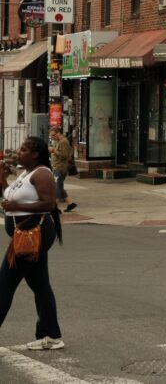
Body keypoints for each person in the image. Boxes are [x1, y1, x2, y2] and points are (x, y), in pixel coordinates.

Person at [0, 136, 65, 350]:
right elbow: (9, 201)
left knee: (4, 284)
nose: (19, 152)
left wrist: (17, 205)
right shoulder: (26, 173)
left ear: (35, 154)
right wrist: (2, 180)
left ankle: (50, 334)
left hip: (32, 234)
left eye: (23, 149)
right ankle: (51, 335)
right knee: (40, 285)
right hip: (25, 234)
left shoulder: (43, 173)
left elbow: (48, 203)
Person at [48, 127, 76, 213]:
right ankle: (70, 203)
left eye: (53, 135)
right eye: (51, 136)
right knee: (59, 186)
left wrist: (53, 150)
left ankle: (55, 208)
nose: (52, 137)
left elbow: (64, 155)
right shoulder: (59, 141)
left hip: (60, 168)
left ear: (58, 133)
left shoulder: (63, 142)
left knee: (57, 188)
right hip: (57, 167)